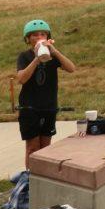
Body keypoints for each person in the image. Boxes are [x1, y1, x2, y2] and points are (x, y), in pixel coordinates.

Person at [15, 19, 77, 168]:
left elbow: (71, 68)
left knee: (46, 148)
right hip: (29, 107)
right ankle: (30, 179)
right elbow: (21, 79)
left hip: (49, 106)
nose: (39, 37)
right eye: (35, 35)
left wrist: (54, 51)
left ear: (48, 37)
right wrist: (37, 59)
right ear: (28, 39)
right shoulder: (24, 56)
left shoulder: (53, 55)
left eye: (42, 34)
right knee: (32, 148)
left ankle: (44, 179)